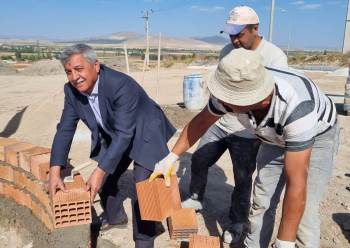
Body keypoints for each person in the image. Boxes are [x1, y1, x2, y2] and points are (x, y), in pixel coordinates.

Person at [150, 48, 339, 248]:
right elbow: (201, 122)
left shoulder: (296, 107)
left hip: (317, 136)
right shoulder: (234, 88)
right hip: (272, 136)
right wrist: (171, 157)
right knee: (262, 202)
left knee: (305, 210)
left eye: (229, 101)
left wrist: (284, 242)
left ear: (257, 100)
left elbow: (296, 182)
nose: (222, 103)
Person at [49, 44, 176, 248]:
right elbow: (65, 129)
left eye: (79, 69)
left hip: (146, 129)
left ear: (96, 65)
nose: (74, 77)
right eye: (68, 72)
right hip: (118, 131)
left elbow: (126, 134)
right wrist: (55, 171)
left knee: (144, 190)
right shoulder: (71, 91)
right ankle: (116, 217)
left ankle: (145, 238)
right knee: (106, 179)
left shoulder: (119, 84)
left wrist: (99, 172)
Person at [181, 5, 288, 244]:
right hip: (222, 121)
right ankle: (196, 196)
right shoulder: (227, 51)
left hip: (249, 131)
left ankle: (237, 222)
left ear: (255, 29)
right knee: (199, 158)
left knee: (242, 178)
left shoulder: (275, 57)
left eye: (239, 34)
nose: (234, 40)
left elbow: (276, 101)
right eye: (230, 34)